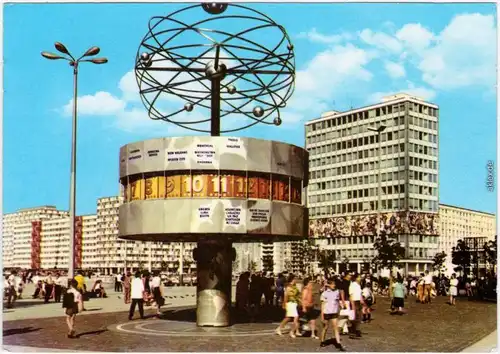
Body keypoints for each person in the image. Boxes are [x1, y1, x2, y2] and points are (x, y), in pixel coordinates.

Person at [320, 279, 345, 351]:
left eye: (335, 284)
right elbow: (322, 305)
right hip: (326, 313)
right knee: (325, 328)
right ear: (329, 285)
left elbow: (337, 301)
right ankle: (322, 341)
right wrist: (322, 316)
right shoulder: (324, 293)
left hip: (334, 312)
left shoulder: (337, 292)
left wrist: (339, 308)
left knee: (335, 328)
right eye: (333, 284)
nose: (334, 285)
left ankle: (338, 343)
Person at [275, 274, 301, 338]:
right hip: (290, 303)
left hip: (295, 303)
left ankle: (279, 328)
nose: (296, 280)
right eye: (295, 279)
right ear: (292, 279)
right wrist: (284, 304)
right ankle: (292, 331)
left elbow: (298, 295)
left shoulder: (294, 286)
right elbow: (286, 296)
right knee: (295, 317)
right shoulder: (288, 287)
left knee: (288, 318)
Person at [348, 273, 363, 339]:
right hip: (354, 302)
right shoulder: (352, 285)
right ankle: (352, 332)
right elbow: (351, 295)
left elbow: (359, 294)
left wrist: (362, 300)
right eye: (359, 277)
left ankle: (356, 330)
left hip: (358, 301)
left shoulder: (358, 285)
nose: (360, 278)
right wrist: (352, 305)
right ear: (356, 278)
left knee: (359, 317)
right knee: (354, 317)